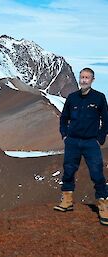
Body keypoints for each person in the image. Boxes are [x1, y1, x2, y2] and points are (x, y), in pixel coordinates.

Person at [54, 67, 108, 226]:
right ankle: (67, 201)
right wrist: (65, 136)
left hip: (91, 142)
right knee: (69, 170)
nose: (84, 80)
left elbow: (106, 121)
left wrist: (99, 139)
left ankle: (104, 206)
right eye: (82, 77)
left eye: (87, 77)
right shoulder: (72, 98)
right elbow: (64, 118)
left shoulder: (99, 98)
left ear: (92, 80)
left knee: (97, 173)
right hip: (72, 142)